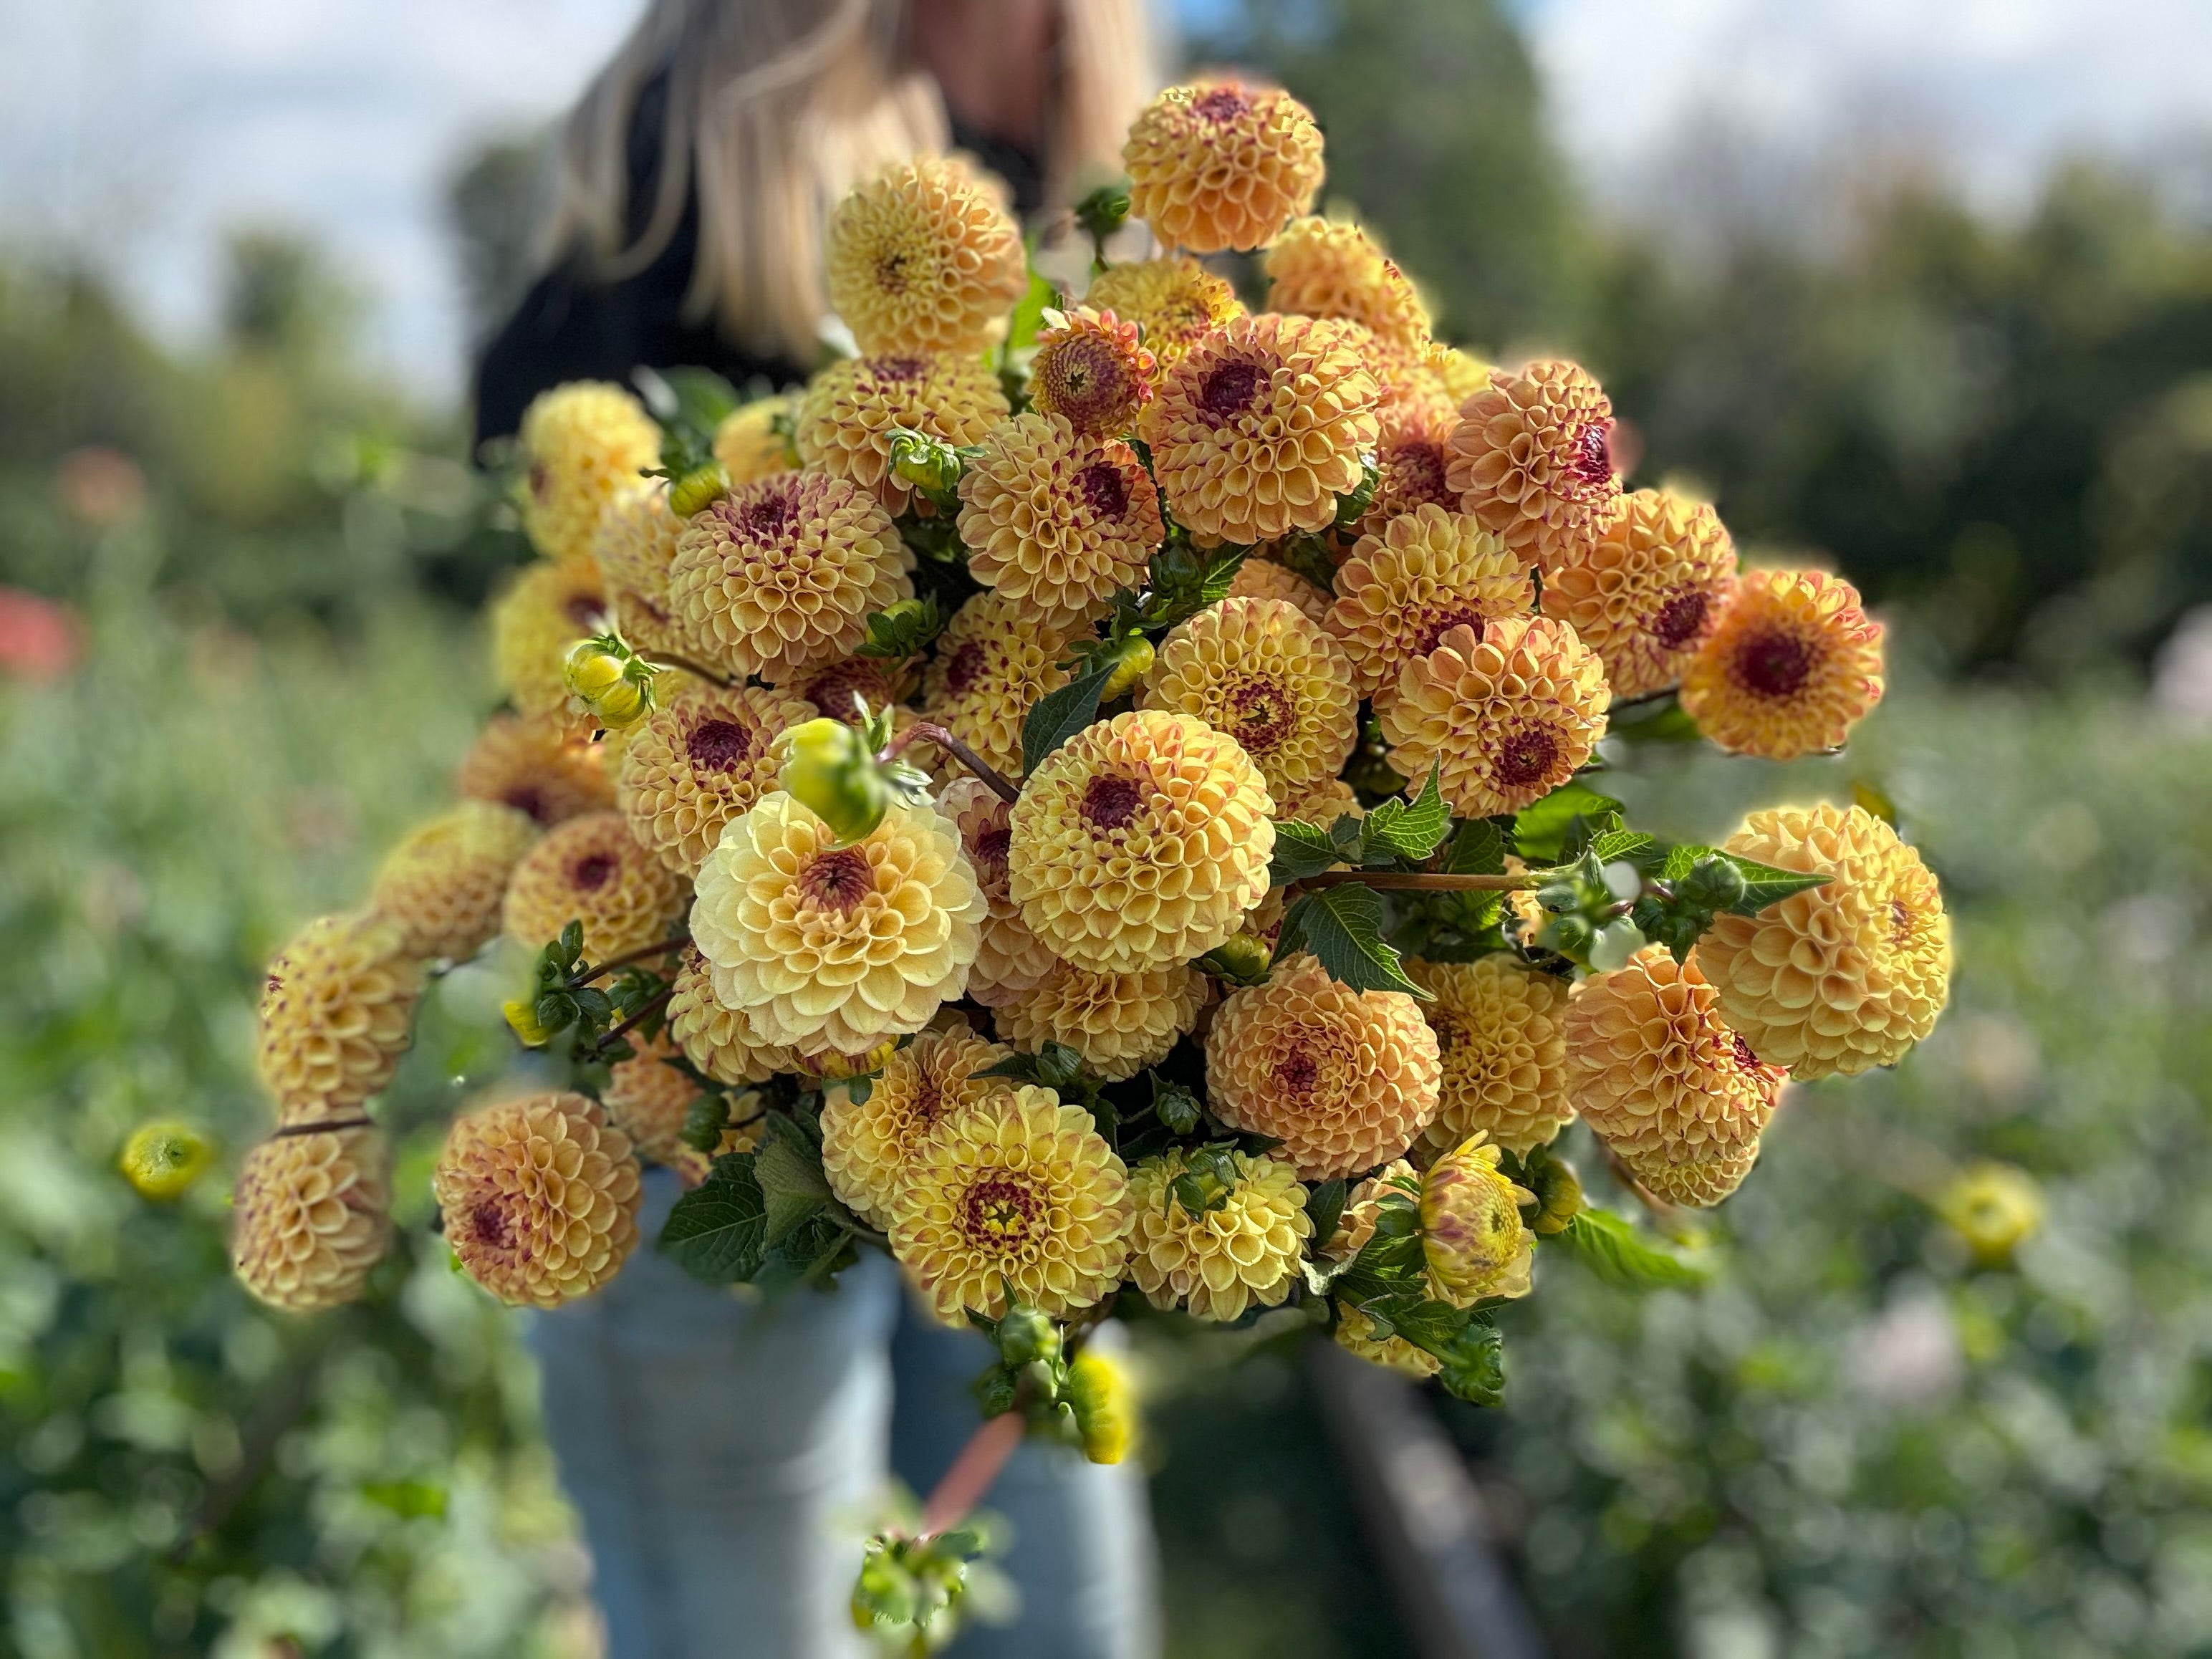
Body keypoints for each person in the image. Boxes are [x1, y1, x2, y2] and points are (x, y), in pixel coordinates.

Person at [470, 4, 1162, 1656]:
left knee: (1061, 1615)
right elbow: (556, 513)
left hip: (1010, 1068)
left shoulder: (1096, 157)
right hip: (705, 1064)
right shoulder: (717, 110)